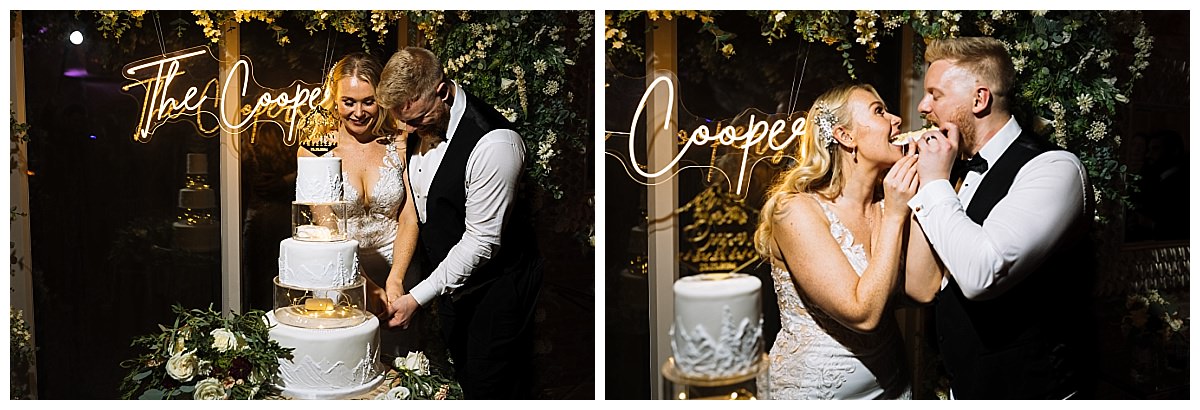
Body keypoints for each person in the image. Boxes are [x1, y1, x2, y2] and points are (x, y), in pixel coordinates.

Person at [904, 37, 1095, 399]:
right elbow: (921, 287)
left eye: (936, 94)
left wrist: (933, 183)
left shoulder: (1054, 169)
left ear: (979, 99)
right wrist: (925, 185)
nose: (923, 106)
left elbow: (982, 274)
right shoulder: (951, 170)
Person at [376, 47, 544, 399]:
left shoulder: (494, 143)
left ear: (442, 91)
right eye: (401, 120)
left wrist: (417, 298)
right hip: (454, 288)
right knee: (465, 379)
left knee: (491, 389)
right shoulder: (417, 125)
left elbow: (482, 242)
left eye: (417, 119)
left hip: (497, 289)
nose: (407, 130)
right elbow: (420, 207)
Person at [753, 83, 919, 399]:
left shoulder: (891, 204)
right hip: (814, 395)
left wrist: (929, 183)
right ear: (845, 136)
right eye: (879, 111)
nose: (897, 120)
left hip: (893, 389)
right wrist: (898, 215)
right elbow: (863, 314)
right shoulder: (796, 210)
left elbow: (924, 290)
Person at [298, 52, 421, 357]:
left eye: (368, 101)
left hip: (401, 268)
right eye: (348, 102)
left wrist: (395, 280)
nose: (358, 112)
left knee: (404, 365)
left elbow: (409, 217)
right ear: (334, 99)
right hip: (341, 274)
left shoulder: (402, 143)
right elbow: (327, 229)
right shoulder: (315, 151)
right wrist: (365, 286)